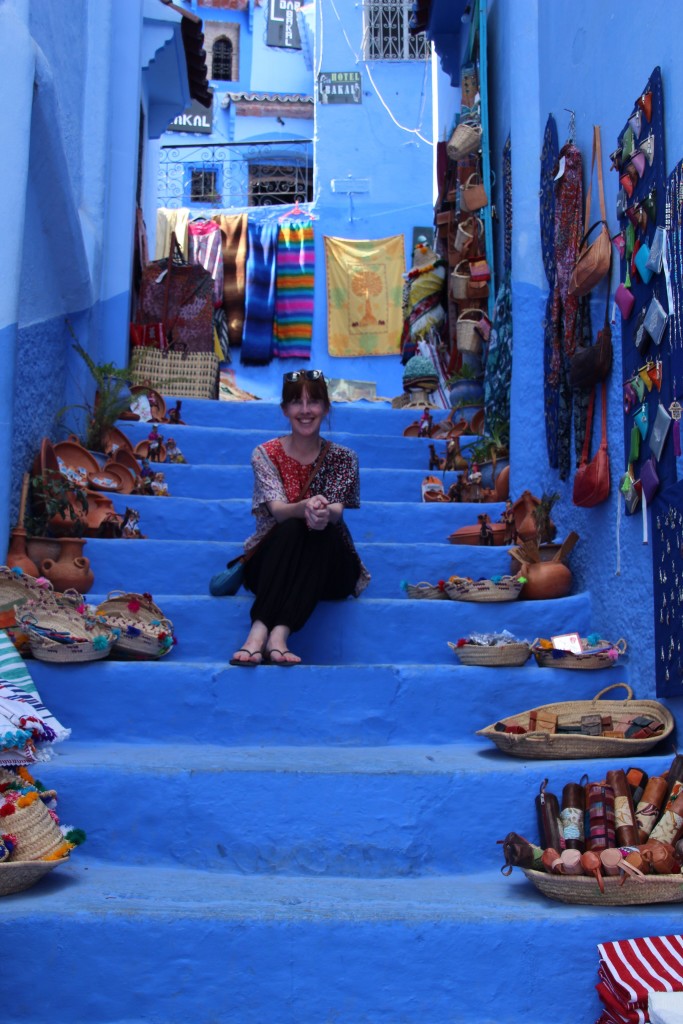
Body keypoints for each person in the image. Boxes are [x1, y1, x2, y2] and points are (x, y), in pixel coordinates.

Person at [230, 370, 370, 667]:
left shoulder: (344, 458)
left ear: (326, 408)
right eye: (296, 402)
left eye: (314, 402)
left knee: (322, 529)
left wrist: (321, 512)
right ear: (284, 409)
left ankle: (275, 633)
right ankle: (264, 632)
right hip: (271, 563)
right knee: (293, 523)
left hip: (331, 569)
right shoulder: (264, 454)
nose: (305, 411)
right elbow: (279, 511)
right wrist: (304, 506)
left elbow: (337, 513)